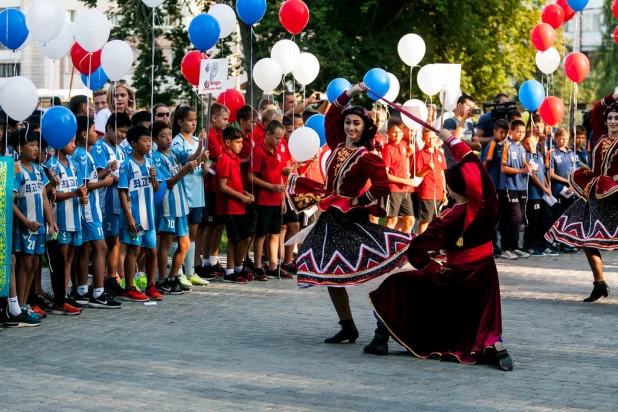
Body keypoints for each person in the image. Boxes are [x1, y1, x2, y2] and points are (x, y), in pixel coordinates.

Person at [367, 129, 514, 372]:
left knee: (396, 284)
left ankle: (380, 339)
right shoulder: (488, 205)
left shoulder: (448, 218)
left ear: (453, 189)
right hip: (486, 274)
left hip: (455, 279)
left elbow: (416, 251)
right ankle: (489, 341)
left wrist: (435, 269)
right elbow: (477, 167)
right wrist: (451, 140)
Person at [286, 83, 410, 343]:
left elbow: (382, 186)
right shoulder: (337, 144)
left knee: (351, 269)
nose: (351, 127)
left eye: (356, 124)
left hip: (350, 218)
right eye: (348, 123)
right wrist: (351, 93)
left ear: (365, 127)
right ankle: (348, 326)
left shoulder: (367, 156)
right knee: (331, 273)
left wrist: (358, 200)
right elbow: (332, 114)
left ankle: (385, 317)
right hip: (330, 216)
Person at [546, 93, 618, 303]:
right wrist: (612, 97)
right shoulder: (601, 135)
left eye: (617, 118)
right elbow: (596, 110)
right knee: (586, 238)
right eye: (611, 118)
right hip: (595, 193)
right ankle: (599, 283)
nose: (613, 121)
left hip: (615, 196)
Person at [73, 116, 120, 309]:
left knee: (86, 248)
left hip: (89, 208)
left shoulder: (83, 154)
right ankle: (98, 293)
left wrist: (105, 170)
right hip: (89, 209)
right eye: (93, 130)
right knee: (101, 247)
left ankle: (82, 290)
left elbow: (88, 177)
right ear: (84, 134)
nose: (96, 134)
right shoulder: (82, 155)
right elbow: (84, 185)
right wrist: (104, 182)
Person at [12, 129, 57, 325]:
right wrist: (25, 221)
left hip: (37, 226)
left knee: (34, 265)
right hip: (24, 227)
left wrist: (51, 221)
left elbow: (44, 197)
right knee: (24, 264)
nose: (35, 148)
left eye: (36, 144)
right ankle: (18, 307)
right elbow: (9, 201)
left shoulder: (39, 170)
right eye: (31, 144)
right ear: (18, 147)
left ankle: (24, 304)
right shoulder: (16, 170)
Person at [152, 120, 202, 295]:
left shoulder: (174, 152)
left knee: (185, 243)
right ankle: (162, 279)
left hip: (181, 205)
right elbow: (169, 183)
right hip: (168, 204)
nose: (168, 139)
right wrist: (185, 170)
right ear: (155, 139)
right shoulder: (157, 158)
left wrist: (201, 144)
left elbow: (192, 157)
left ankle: (174, 276)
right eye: (163, 136)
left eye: (169, 135)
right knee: (165, 242)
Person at [118, 125, 163, 302]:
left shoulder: (150, 163)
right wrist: (128, 216)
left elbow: (157, 188)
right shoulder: (127, 165)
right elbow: (122, 191)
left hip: (148, 216)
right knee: (134, 249)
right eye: (145, 141)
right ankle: (129, 287)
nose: (149, 144)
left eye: (150, 141)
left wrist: (153, 177)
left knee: (152, 251)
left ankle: (151, 285)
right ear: (133, 143)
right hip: (134, 216)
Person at [91, 113, 131, 297]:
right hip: (105, 202)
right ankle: (98, 280)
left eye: (125, 132)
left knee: (115, 241)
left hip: (119, 203)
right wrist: (122, 182)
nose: (123, 135)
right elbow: (102, 174)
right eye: (121, 131)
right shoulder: (99, 148)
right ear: (109, 128)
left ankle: (111, 278)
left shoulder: (121, 150)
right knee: (105, 243)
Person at [46, 136, 89, 305]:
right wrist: (74, 194)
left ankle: (65, 293)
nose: (74, 145)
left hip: (75, 217)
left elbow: (79, 189)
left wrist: (82, 197)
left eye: (75, 141)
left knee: (71, 254)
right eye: (70, 141)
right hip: (61, 218)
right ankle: (60, 297)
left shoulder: (75, 165)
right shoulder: (52, 165)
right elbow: (51, 195)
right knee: (62, 256)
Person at [171, 105, 207, 288]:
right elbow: (189, 159)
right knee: (180, 235)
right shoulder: (176, 142)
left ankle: (191, 271)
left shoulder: (195, 140)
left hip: (197, 194)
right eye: (190, 120)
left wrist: (205, 168)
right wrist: (201, 147)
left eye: (195, 120)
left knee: (192, 233)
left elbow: (199, 165)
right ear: (180, 122)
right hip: (184, 194)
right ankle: (177, 272)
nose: (193, 123)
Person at [249, 120, 290, 281]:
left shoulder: (278, 151)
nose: (279, 142)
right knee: (261, 234)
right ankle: (258, 266)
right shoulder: (259, 151)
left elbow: (279, 175)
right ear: (267, 134)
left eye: (281, 138)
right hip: (263, 200)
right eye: (277, 138)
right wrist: (270, 187)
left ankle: (273, 265)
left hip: (275, 200)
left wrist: (282, 199)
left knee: (275, 233)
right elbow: (251, 177)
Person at [217, 126, 255, 282]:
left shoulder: (235, 159)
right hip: (230, 207)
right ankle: (238, 267)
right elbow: (222, 186)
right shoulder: (224, 159)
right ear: (227, 142)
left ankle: (230, 271)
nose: (241, 145)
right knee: (245, 238)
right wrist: (240, 196)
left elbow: (234, 183)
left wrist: (245, 193)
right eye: (238, 142)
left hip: (238, 205)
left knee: (234, 239)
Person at [199, 103, 229, 279]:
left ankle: (212, 259)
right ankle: (204, 261)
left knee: (218, 224)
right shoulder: (209, 135)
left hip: (218, 186)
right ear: (214, 118)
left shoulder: (219, 134)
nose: (227, 122)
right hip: (209, 185)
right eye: (224, 119)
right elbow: (222, 156)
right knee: (209, 225)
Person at [499, 119, 530, 260]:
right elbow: (504, 167)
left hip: (522, 186)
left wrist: (530, 169)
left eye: (523, 132)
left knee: (520, 218)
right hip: (510, 187)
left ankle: (515, 246)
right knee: (515, 216)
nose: (521, 134)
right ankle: (506, 247)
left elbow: (525, 164)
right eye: (518, 132)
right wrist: (521, 170)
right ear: (511, 132)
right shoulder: (507, 146)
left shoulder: (522, 147)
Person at [546, 127, 578, 254]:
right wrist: (567, 181)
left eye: (565, 139)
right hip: (557, 190)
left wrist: (573, 184)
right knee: (556, 216)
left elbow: (574, 171)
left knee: (568, 217)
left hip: (570, 191)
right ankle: (554, 241)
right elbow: (551, 174)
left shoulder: (571, 153)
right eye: (561, 139)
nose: (563, 141)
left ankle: (566, 242)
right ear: (555, 139)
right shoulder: (552, 153)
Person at [522, 133, 555, 257]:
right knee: (532, 221)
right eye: (528, 143)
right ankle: (529, 245)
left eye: (533, 142)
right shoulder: (527, 156)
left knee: (546, 218)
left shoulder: (539, 156)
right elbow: (533, 175)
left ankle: (542, 243)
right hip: (533, 194)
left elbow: (543, 173)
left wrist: (547, 186)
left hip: (543, 194)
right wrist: (543, 187)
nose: (531, 145)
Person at [481, 119, 509, 256]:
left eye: (505, 133)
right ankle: (489, 245)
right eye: (501, 132)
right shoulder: (492, 145)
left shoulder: (505, 145)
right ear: (495, 132)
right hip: (493, 187)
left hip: (502, 186)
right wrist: (485, 184)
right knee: (492, 218)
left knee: (500, 218)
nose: (503, 135)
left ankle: (496, 244)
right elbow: (485, 165)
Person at [382, 117, 415, 234]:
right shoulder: (387, 149)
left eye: (400, 132)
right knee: (392, 220)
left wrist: (409, 155)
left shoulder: (404, 145)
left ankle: (403, 245)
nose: (398, 135)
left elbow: (404, 163)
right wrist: (404, 181)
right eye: (395, 132)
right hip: (394, 189)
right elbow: (385, 175)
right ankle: (386, 245)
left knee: (410, 219)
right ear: (388, 133)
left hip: (406, 190)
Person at [415, 128, 448, 235]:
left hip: (438, 193)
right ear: (423, 139)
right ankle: (421, 245)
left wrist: (444, 192)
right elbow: (418, 174)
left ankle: (431, 246)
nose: (431, 140)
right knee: (425, 221)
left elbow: (442, 174)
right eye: (428, 138)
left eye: (433, 138)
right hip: (426, 193)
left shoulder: (439, 154)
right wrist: (427, 169)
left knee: (435, 222)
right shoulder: (420, 154)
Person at [443, 94, 482, 167]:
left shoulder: (469, 124)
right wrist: (463, 119)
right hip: (454, 165)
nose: (470, 109)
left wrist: (463, 141)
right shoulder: (449, 122)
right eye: (468, 105)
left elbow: (478, 146)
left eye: (472, 107)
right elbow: (455, 140)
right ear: (459, 105)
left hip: (468, 164)